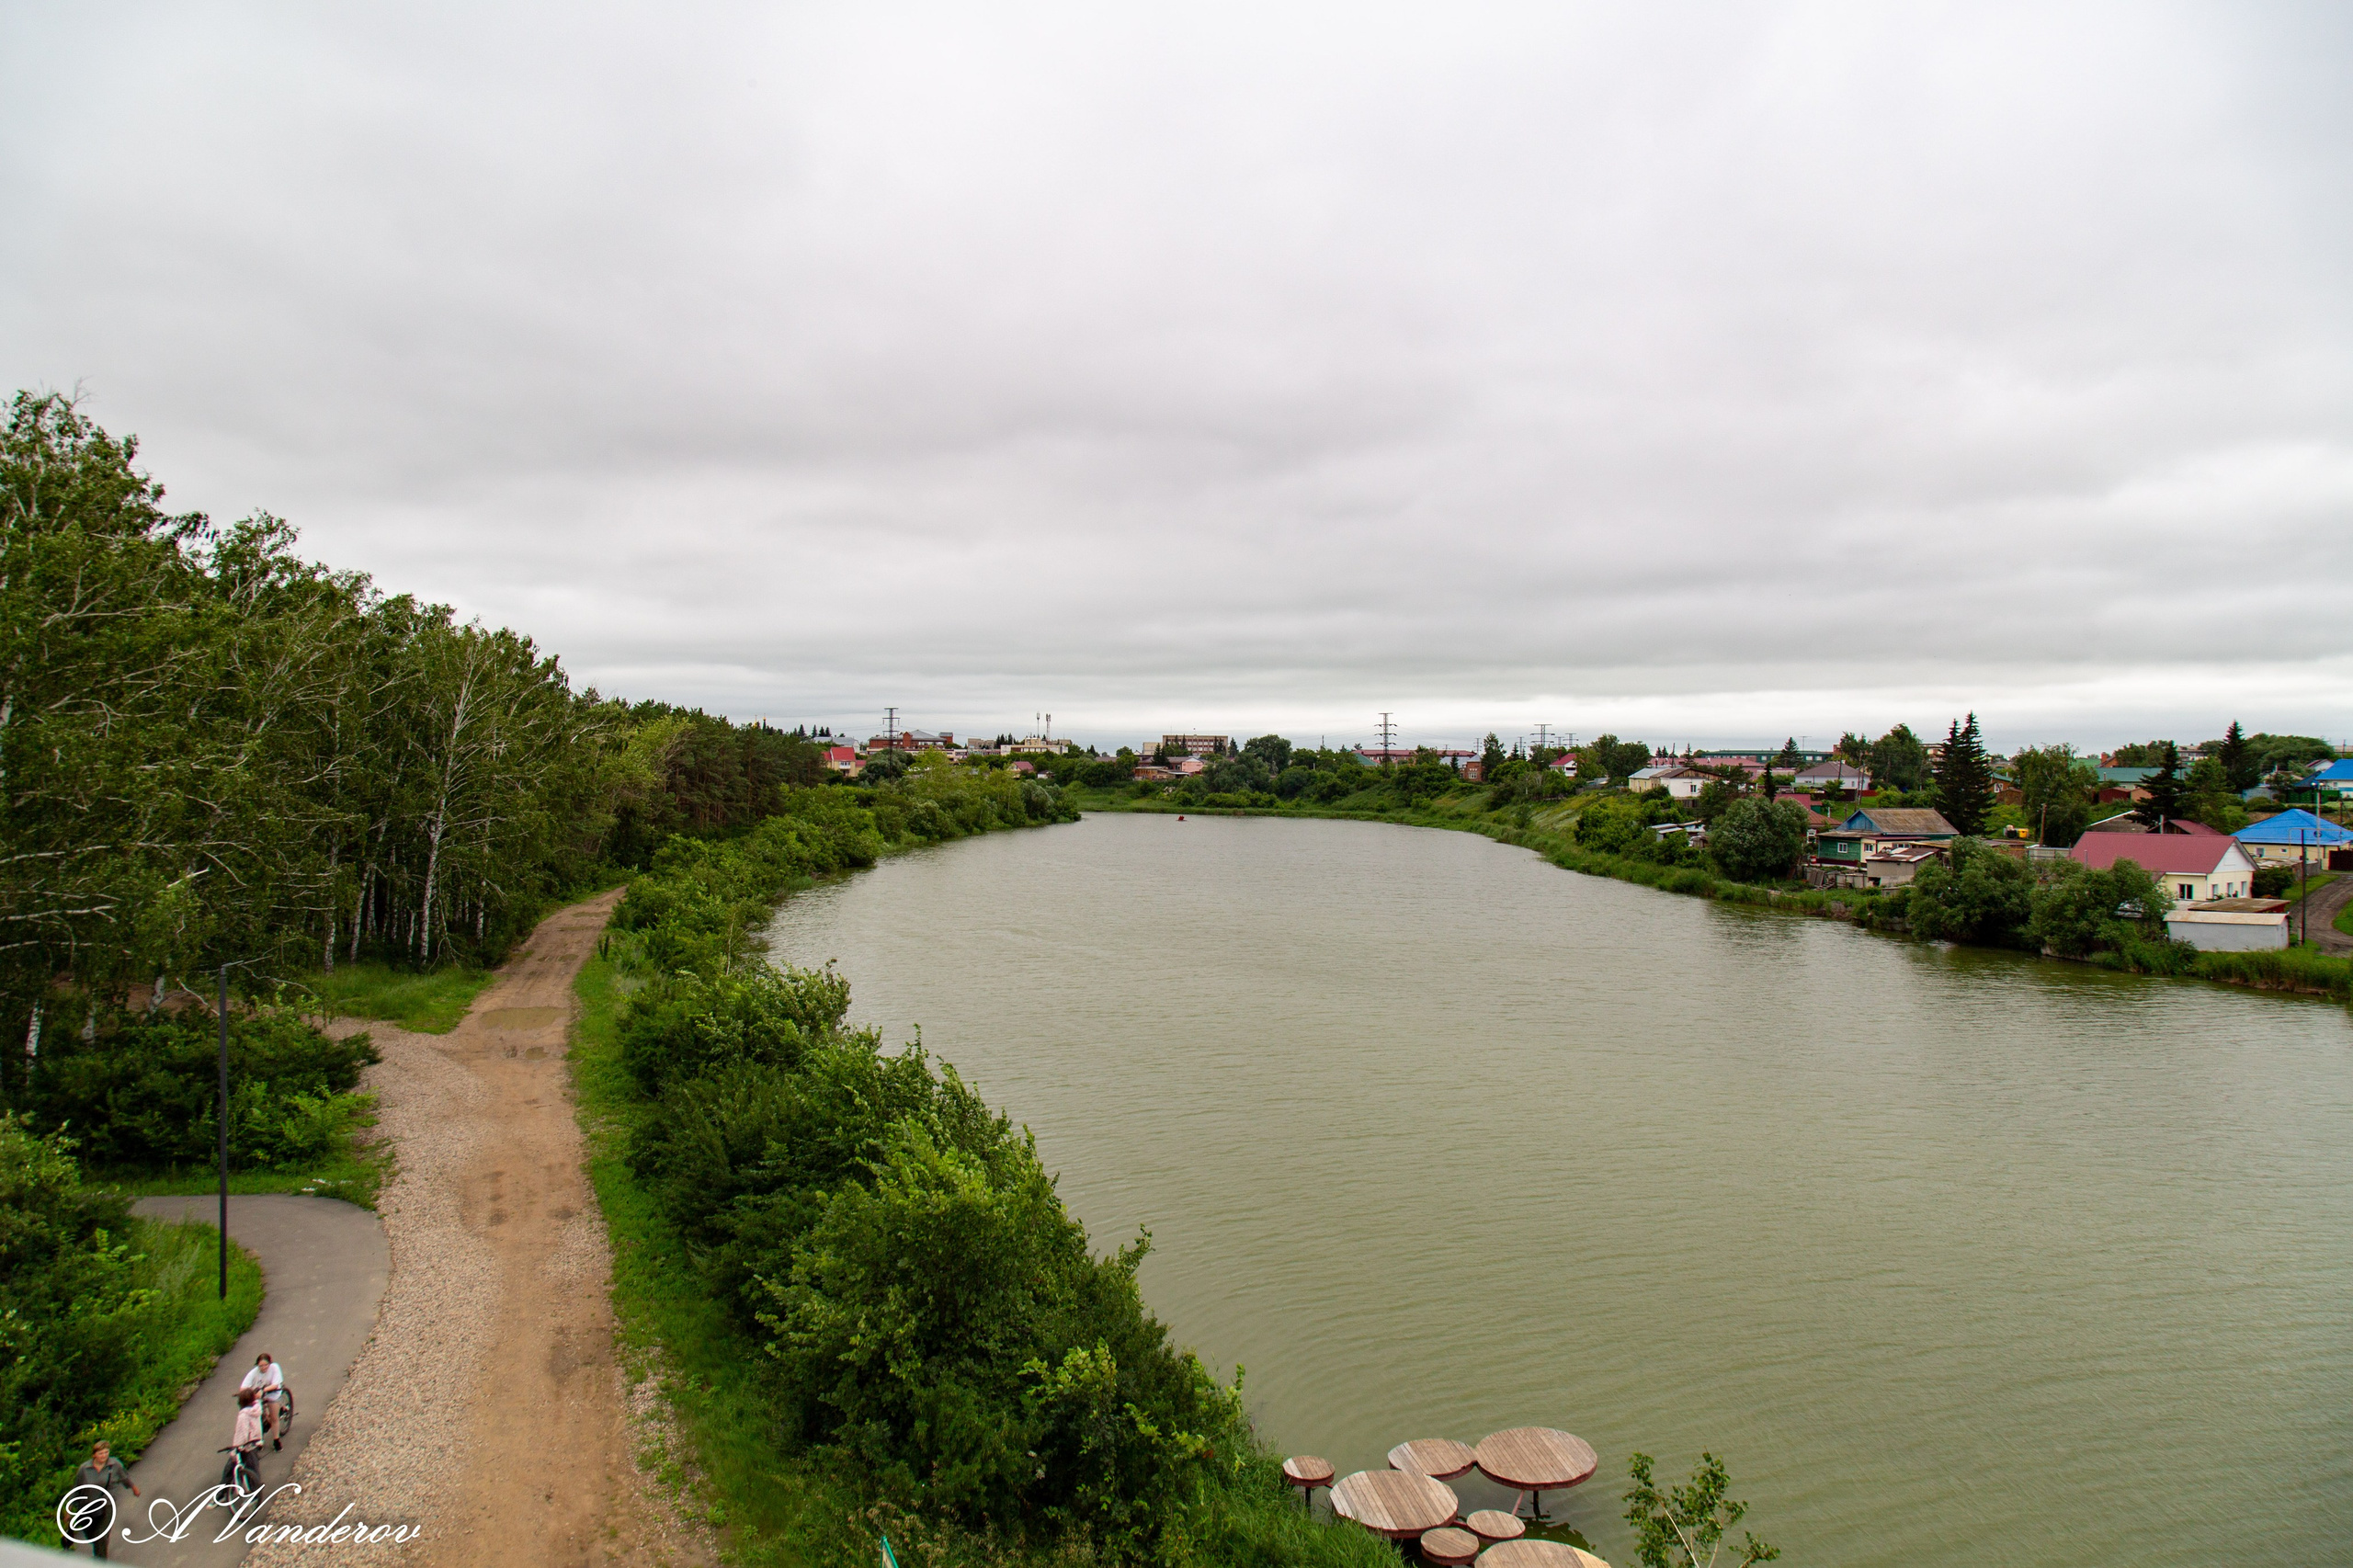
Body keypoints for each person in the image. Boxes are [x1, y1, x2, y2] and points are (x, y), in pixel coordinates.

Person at [69, 1442, 139, 1559]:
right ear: (94, 1455)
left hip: (107, 1505)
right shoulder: (84, 1469)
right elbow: (77, 1488)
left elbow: (124, 1477)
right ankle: (99, 1549)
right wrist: (70, 1506)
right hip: (87, 1506)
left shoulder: (114, 1465)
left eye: (106, 1452)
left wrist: (133, 1487)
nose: (104, 1456)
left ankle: (100, 1560)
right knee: (91, 1535)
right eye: (101, 1453)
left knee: (101, 1535)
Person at [240, 1353, 288, 1449]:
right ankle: (258, 1438)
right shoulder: (253, 1373)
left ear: (270, 1363)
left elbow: (275, 1385)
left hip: (273, 1393)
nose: (263, 1367)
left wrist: (263, 1390)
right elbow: (243, 1387)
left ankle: (276, 1441)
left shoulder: (274, 1368)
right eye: (261, 1366)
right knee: (256, 1415)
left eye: (266, 1365)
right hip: (259, 1395)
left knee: (274, 1417)